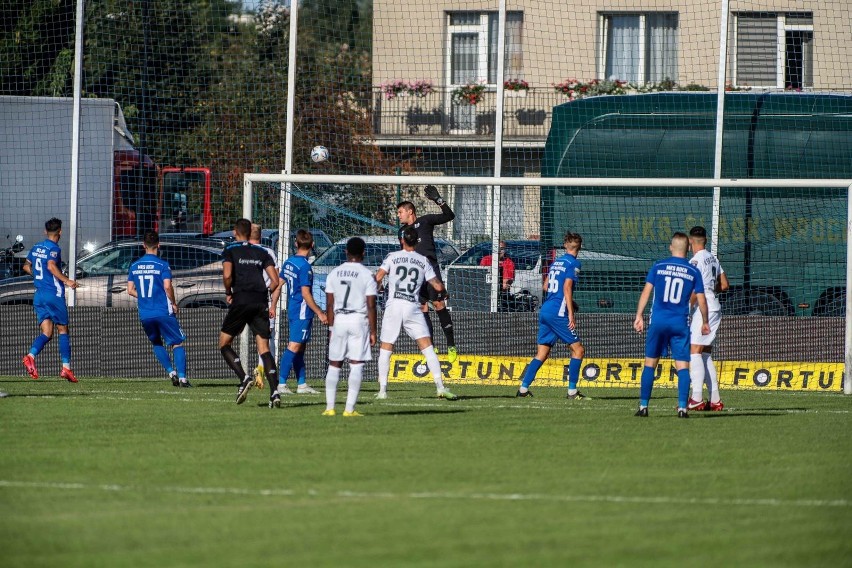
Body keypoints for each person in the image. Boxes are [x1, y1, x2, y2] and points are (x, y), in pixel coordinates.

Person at [375, 227, 458, 400]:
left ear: (402, 240)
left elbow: (378, 277)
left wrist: (379, 287)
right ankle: (440, 387)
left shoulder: (392, 257)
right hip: (413, 307)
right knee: (427, 348)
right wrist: (444, 293)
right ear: (417, 241)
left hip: (394, 306)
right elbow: (437, 286)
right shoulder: (423, 260)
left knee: (386, 348)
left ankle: (383, 391)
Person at [633, 232, 710, 418]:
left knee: (650, 364)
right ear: (688, 248)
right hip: (679, 324)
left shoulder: (658, 266)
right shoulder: (693, 271)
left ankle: (643, 407)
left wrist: (639, 316)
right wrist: (705, 322)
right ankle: (683, 408)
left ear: (671, 247)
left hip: (658, 322)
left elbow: (646, 292)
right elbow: (701, 299)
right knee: (683, 366)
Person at [219, 218, 282, 408]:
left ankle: (244, 377)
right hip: (260, 302)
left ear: (235, 231)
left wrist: (228, 292)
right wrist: (265, 292)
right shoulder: (262, 252)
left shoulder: (230, 250)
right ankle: (275, 393)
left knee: (224, 343)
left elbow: (227, 275)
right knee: (264, 349)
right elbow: (275, 280)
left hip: (241, 300)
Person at [516, 232, 586, 399]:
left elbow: (546, 286)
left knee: (542, 353)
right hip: (558, 312)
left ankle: (523, 389)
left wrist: (564, 299)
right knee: (578, 350)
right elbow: (567, 288)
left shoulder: (556, 262)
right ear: (580, 247)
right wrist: (570, 313)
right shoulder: (574, 263)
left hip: (546, 309)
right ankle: (572, 392)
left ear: (565, 246)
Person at [397, 185, 458, 363]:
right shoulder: (401, 232)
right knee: (422, 308)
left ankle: (451, 345)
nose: (398, 215)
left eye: (400, 212)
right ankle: (431, 347)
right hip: (415, 275)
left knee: (439, 304)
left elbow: (449, 216)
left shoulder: (425, 221)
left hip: (430, 270)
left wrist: (438, 200)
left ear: (410, 212)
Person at [322, 237, 378, 417]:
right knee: (356, 364)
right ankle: (349, 409)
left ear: (346, 251)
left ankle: (329, 408)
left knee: (334, 364)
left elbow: (329, 305)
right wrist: (373, 330)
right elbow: (371, 305)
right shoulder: (367, 274)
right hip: (357, 320)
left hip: (339, 320)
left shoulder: (334, 273)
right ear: (363, 253)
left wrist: (331, 328)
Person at [127, 231, 190, 387]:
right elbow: (167, 286)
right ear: (158, 245)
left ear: (143, 246)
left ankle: (171, 372)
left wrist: (144, 297)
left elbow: (129, 290)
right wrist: (174, 303)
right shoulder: (162, 265)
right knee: (177, 343)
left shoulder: (134, 266)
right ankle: (182, 378)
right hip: (163, 310)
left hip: (145, 313)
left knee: (156, 342)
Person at [21, 218, 79, 383]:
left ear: (45, 231)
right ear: (60, 232)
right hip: (53, 294)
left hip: (39, 295)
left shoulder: (36, 246)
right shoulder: (54, 248)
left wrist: (40, 279)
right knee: (63, 330)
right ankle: (66, 368)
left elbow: (26, 266)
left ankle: (30, 356)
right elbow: (51, 266)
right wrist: (67, 281)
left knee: (47, 333)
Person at [277, 229, 328, 395]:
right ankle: (281, 384)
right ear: (312, 245)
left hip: (292, 308)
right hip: (302, 311)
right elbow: (306, 293)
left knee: (300, 348)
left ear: (296, 244)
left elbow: (278, 283)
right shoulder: (305, 267)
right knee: (294, 345)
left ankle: (302, 384)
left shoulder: (289, 262)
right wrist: (320, 312)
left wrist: (272, 305)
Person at [687, 226, 729, 411]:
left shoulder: (695, 260)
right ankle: (715, 400)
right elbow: (725, 285)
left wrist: (685, 308)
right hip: (715, 307)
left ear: (691, 241)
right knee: (704, 354)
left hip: (704, 310)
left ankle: (696, 398)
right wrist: (711, 292)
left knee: (694, 350)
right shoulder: (713, 258)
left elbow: (697, 289)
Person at [250, 223, 283, 389]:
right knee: (268, 339)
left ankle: (258, 370)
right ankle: (263, 371)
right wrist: (273, 305)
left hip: (245, 301)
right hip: (264, 301)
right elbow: (276, 282)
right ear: (261, 236)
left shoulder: (241, 252)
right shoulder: (269, 252)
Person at [480, 241, 516, 310]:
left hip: (501, 296)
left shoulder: (509, 263)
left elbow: (505, 285)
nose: (499, 251)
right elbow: (481, 279)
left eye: (502, 249)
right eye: (497, 248)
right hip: (485, 294)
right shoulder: (486, 260)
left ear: (505, 250)